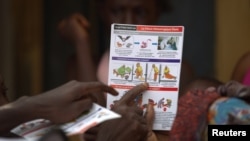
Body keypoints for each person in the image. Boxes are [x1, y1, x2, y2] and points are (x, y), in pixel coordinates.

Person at [57, 0, 194, 87]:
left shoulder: (178, 71)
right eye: (117, 11)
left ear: (156, 13)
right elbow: (91, 120)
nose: (128, 22)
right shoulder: (79, 65)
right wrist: (81, 42)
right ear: (102, 11)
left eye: (140, 12)